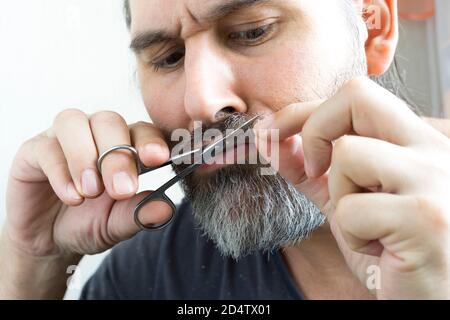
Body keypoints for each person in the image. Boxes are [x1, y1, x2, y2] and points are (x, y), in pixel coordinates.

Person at [1, 0, 450, 300]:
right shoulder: (153, 275)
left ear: (374, 30)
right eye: (168, 58)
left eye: (252, 32)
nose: (201, 101)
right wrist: (33, 265)